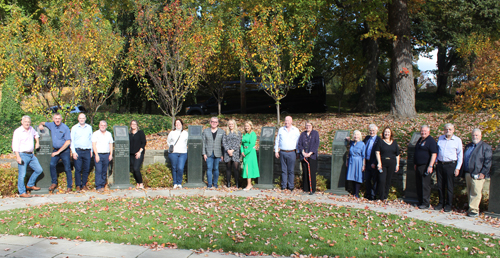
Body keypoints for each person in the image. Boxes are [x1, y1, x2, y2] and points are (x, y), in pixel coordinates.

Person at [39, 113, 72, 193]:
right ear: (53, 119)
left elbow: (68, 142)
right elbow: (43, 123)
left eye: (59, 118)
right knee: (52, 164)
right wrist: (40, 125)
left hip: (64, 151)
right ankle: (54, 183)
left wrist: (58, 152)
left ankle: (69, 186)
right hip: (55, 150)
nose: (57, 120)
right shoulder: (51, 125)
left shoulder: (65, 128)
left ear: (61, 119)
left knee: (67, 168)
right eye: (56, 118)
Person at [462, 129, 491, 217]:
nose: (475, 137)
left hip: (478, 173)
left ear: (481, 136)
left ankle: (474, 210)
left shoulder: (486, 147)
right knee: (470, 191)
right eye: (473, 135)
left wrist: (483, 173)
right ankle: (470, 208)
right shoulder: (468, 146)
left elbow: (488, 162)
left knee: (476, 192)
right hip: (468, 172)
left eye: (477, 135)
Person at [12, 115, 43, 198]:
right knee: (22, 174)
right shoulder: (18, 131)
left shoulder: (31, 129)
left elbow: (36, 134)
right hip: (22, 155)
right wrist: (18, 157)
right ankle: (22, 192)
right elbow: (15, 145)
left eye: (29, 122)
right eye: (25, 121)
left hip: (31, 155)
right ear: (22, 122)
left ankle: (30, 184)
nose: (27, 123)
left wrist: (37, 142)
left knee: (39, 169)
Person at [436, 123, 463, 212]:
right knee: (440, 185)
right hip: (440, 164)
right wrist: (436, 162)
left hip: (451, 165)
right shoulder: (440, 138)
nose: (448, 131)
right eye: (446, 129)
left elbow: (460, 155)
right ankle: (441, 203)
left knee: (449, 186)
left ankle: (448, 205)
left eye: (450, 129)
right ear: (444, 130)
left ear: (453, 130)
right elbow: (437, 151)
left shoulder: (457, 140)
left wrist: (458, 168)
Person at [413, 125, 438, 209]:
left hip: (426, 166)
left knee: (425, 185)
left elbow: (434, 154)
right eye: (422, 131)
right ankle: (420, 201)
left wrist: (430, 166)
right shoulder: (420, 140)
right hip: (419, 166)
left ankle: (425, 203)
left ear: (428, 132)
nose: (423, 132)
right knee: (419, 184)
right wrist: (415, 163)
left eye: (425, 131)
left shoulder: (431, 141)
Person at [274, 116, 300, 191]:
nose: (286, 122)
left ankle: (291, 186)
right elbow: (277, 140)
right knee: (283, 170)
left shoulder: (295, 130)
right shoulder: (281, 130)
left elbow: (298, 142)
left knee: (291, 170)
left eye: (288, 120)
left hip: (292, 152)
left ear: (291, 121)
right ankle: (284, 186)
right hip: (282, 152)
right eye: (285, 120)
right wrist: (276, 151)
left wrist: (298, 152)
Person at [375, 127, 400, 201]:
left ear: (391, 133)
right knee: (382, 180)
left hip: (391, 164)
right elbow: (377, 152)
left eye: (388, 132)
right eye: (385, 132)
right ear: (383, 133)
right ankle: (381, 197)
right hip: (383, 164)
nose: (387, 133)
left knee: (388, 181)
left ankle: (385, 197)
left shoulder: (394, 143)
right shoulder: (380, 142)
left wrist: (397, 164)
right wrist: (379, 163)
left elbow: (397, 154)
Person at [70, 113, 93, 192]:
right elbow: (72, 141)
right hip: (78, 151)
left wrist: (91, 150)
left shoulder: (89, 127)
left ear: (85, 118)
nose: (82, 119)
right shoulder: (74, 128)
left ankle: (84, 185)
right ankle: (78, 185)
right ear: (78, 119)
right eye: (80, 118)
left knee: (86, 169)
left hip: (87, 151)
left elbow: (91, 140)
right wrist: (73, 152)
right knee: (78, 169)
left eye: (83, 118)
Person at [297, 120, 320, 194]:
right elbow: (299, 144)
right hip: (304, 156)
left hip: (312, 156)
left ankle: (312, 189)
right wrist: (303, 152)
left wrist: (310, 153)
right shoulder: (303, 134)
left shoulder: (315, 133)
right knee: (305, 172)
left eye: (309, 125)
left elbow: (316, 144)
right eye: (307, 125)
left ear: (312, 126)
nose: (308, 127)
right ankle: (305, 188)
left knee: (312, 172)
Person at [202, 117, 224, 189]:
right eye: (212, 122)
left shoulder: (222, 132)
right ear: (210, 122)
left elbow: (223, 144)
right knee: (209, 168)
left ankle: (215, 184)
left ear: (217, 123)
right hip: (208, 153)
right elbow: (203, 143)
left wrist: (222, 154)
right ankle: (209, 184)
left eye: (215, 122)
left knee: (216, 168)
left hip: (218, 153)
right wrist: (204, 153)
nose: (214, 123)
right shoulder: (205, 131)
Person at [92, 120, 114, 192]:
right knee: (98, 170)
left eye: (104, 125)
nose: (103, 127)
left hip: (106, 154)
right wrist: (96, 155)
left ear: (106, 126)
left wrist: (111, 154)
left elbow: (110, 144)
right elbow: (94, 145)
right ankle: (98, 186)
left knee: (104, 170)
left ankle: (103, 184)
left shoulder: (109, 134)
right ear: (99, 125)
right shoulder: (95, 134)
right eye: (101, 125)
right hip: (99, 154)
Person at [167, 119, 188, 189]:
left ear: (182, 124)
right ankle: (175, 183)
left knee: (180, 168)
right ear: (175, 125)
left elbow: (187, 142)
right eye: (176, 123)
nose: (178, 124)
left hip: (183, 153)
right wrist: (171, 147)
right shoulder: (172, 133)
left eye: (179, 123)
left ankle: (179, 182)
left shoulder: (185, 133)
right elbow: (168, 141)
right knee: (174, 167)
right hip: (173, 153)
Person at [363, 124, 381, 200]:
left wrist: (375, 162)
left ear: (376, 131)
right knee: (367, 179)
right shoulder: (367, 138)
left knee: (374, 180)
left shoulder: (379, 140)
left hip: (373, 162)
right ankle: (368, 194)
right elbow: (361, 145)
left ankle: (373, 195)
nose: (372, 132)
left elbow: (379, 152)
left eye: (373, 130)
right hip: (366, 162)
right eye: (370, 130)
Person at [222, 119, 242, 188]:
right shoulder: (225, 133)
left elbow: (239, 142)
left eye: (232, 124)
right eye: (229, 124)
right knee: (228, 168)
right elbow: (224, 142)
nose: (231, 125)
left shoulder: (238, 133)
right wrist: (228, 150)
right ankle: (228, 183)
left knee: (236, 168)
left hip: (235, 152)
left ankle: (237, 183)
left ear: (234, 125)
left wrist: (232, 150)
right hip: (227, 153)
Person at [346, 130, 365, 198]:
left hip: (358, 161)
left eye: (357, 135)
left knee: (358, 176)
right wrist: (347, 161)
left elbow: (363, 156)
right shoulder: (352, 143)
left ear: (360, 136)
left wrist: (363, 165)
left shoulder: (362, 144)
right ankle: (353, 192)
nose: (356, 136)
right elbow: (349, 152)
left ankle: (357, 193)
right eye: (355, 135)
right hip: (351, 161)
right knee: (352, 177)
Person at [241, 121, 259, 191]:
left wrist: (246, 152)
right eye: (245, 126)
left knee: (248, 168)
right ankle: (249, 184)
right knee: (245, 168)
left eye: (248, 126)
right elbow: (242, 144)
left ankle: (249, 185)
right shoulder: (244, 134)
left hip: (250, 153)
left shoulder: (253, 134)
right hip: (244, 152)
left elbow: (251, 144)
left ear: (251, 126)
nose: (246, 127)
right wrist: (242, 151)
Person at [130, 120, 147, 189]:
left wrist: (139, 152)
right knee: (133, 169)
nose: (133, 125)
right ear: (130, 125)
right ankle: (137, 183)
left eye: (135, 124)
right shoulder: (129, 134)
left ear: (137, 125)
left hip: (139, 153)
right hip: (131, 154)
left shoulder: (141, 133)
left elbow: (143, 143)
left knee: (136, 168)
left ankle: (141, 183)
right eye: (132, 124)